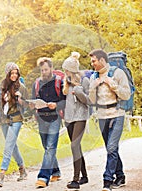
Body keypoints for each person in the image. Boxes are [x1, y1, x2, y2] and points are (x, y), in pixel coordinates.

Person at [88, 49, 130, 191]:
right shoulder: (94, 77)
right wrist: (92, 88)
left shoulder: (118, 73)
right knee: (110, 149)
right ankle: (121, 176)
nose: (92, 63)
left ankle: (107, 180)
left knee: (112, 147)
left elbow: (126, 95)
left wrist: (113, 85)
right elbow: (92, 101)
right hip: (102, 116)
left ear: (101, 60)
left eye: (94, 61)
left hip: (117, 114)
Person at [30, 57, 66, 188]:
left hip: (54, 118)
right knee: (47, 148)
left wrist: (56, 105)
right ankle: (55, 171)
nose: (44, 72)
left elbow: (64, 101)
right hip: (41, 119)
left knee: (50, 147)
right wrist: (33, 107)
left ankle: (43, 177)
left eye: (46, 69)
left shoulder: (59, 82)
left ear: (51, 68)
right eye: (42, 70)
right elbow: (33, 100)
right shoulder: (37, 83)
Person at [0, 62, 28, 187]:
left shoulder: (21, 87)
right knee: (12, 146)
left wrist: (20, 99)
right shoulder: (1, 86)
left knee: (8, 144)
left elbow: (26, 105)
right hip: (4, 120)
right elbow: (0, 106)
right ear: (7, 74)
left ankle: (1, 174)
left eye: (16, 73)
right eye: (12, 73)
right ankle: (22, 169)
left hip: (16, 119)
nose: (14, 75)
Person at [61, 52, 89, 190]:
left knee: (74, 145)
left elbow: (89, 101)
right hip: (69, 118)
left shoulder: (84, 81)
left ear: (72, 69)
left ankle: (75, 180)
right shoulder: (65, 81)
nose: (65, 72)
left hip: (81, 117)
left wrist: (78, 90)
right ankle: (84, 177)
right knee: (76, 147)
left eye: (66, 69)